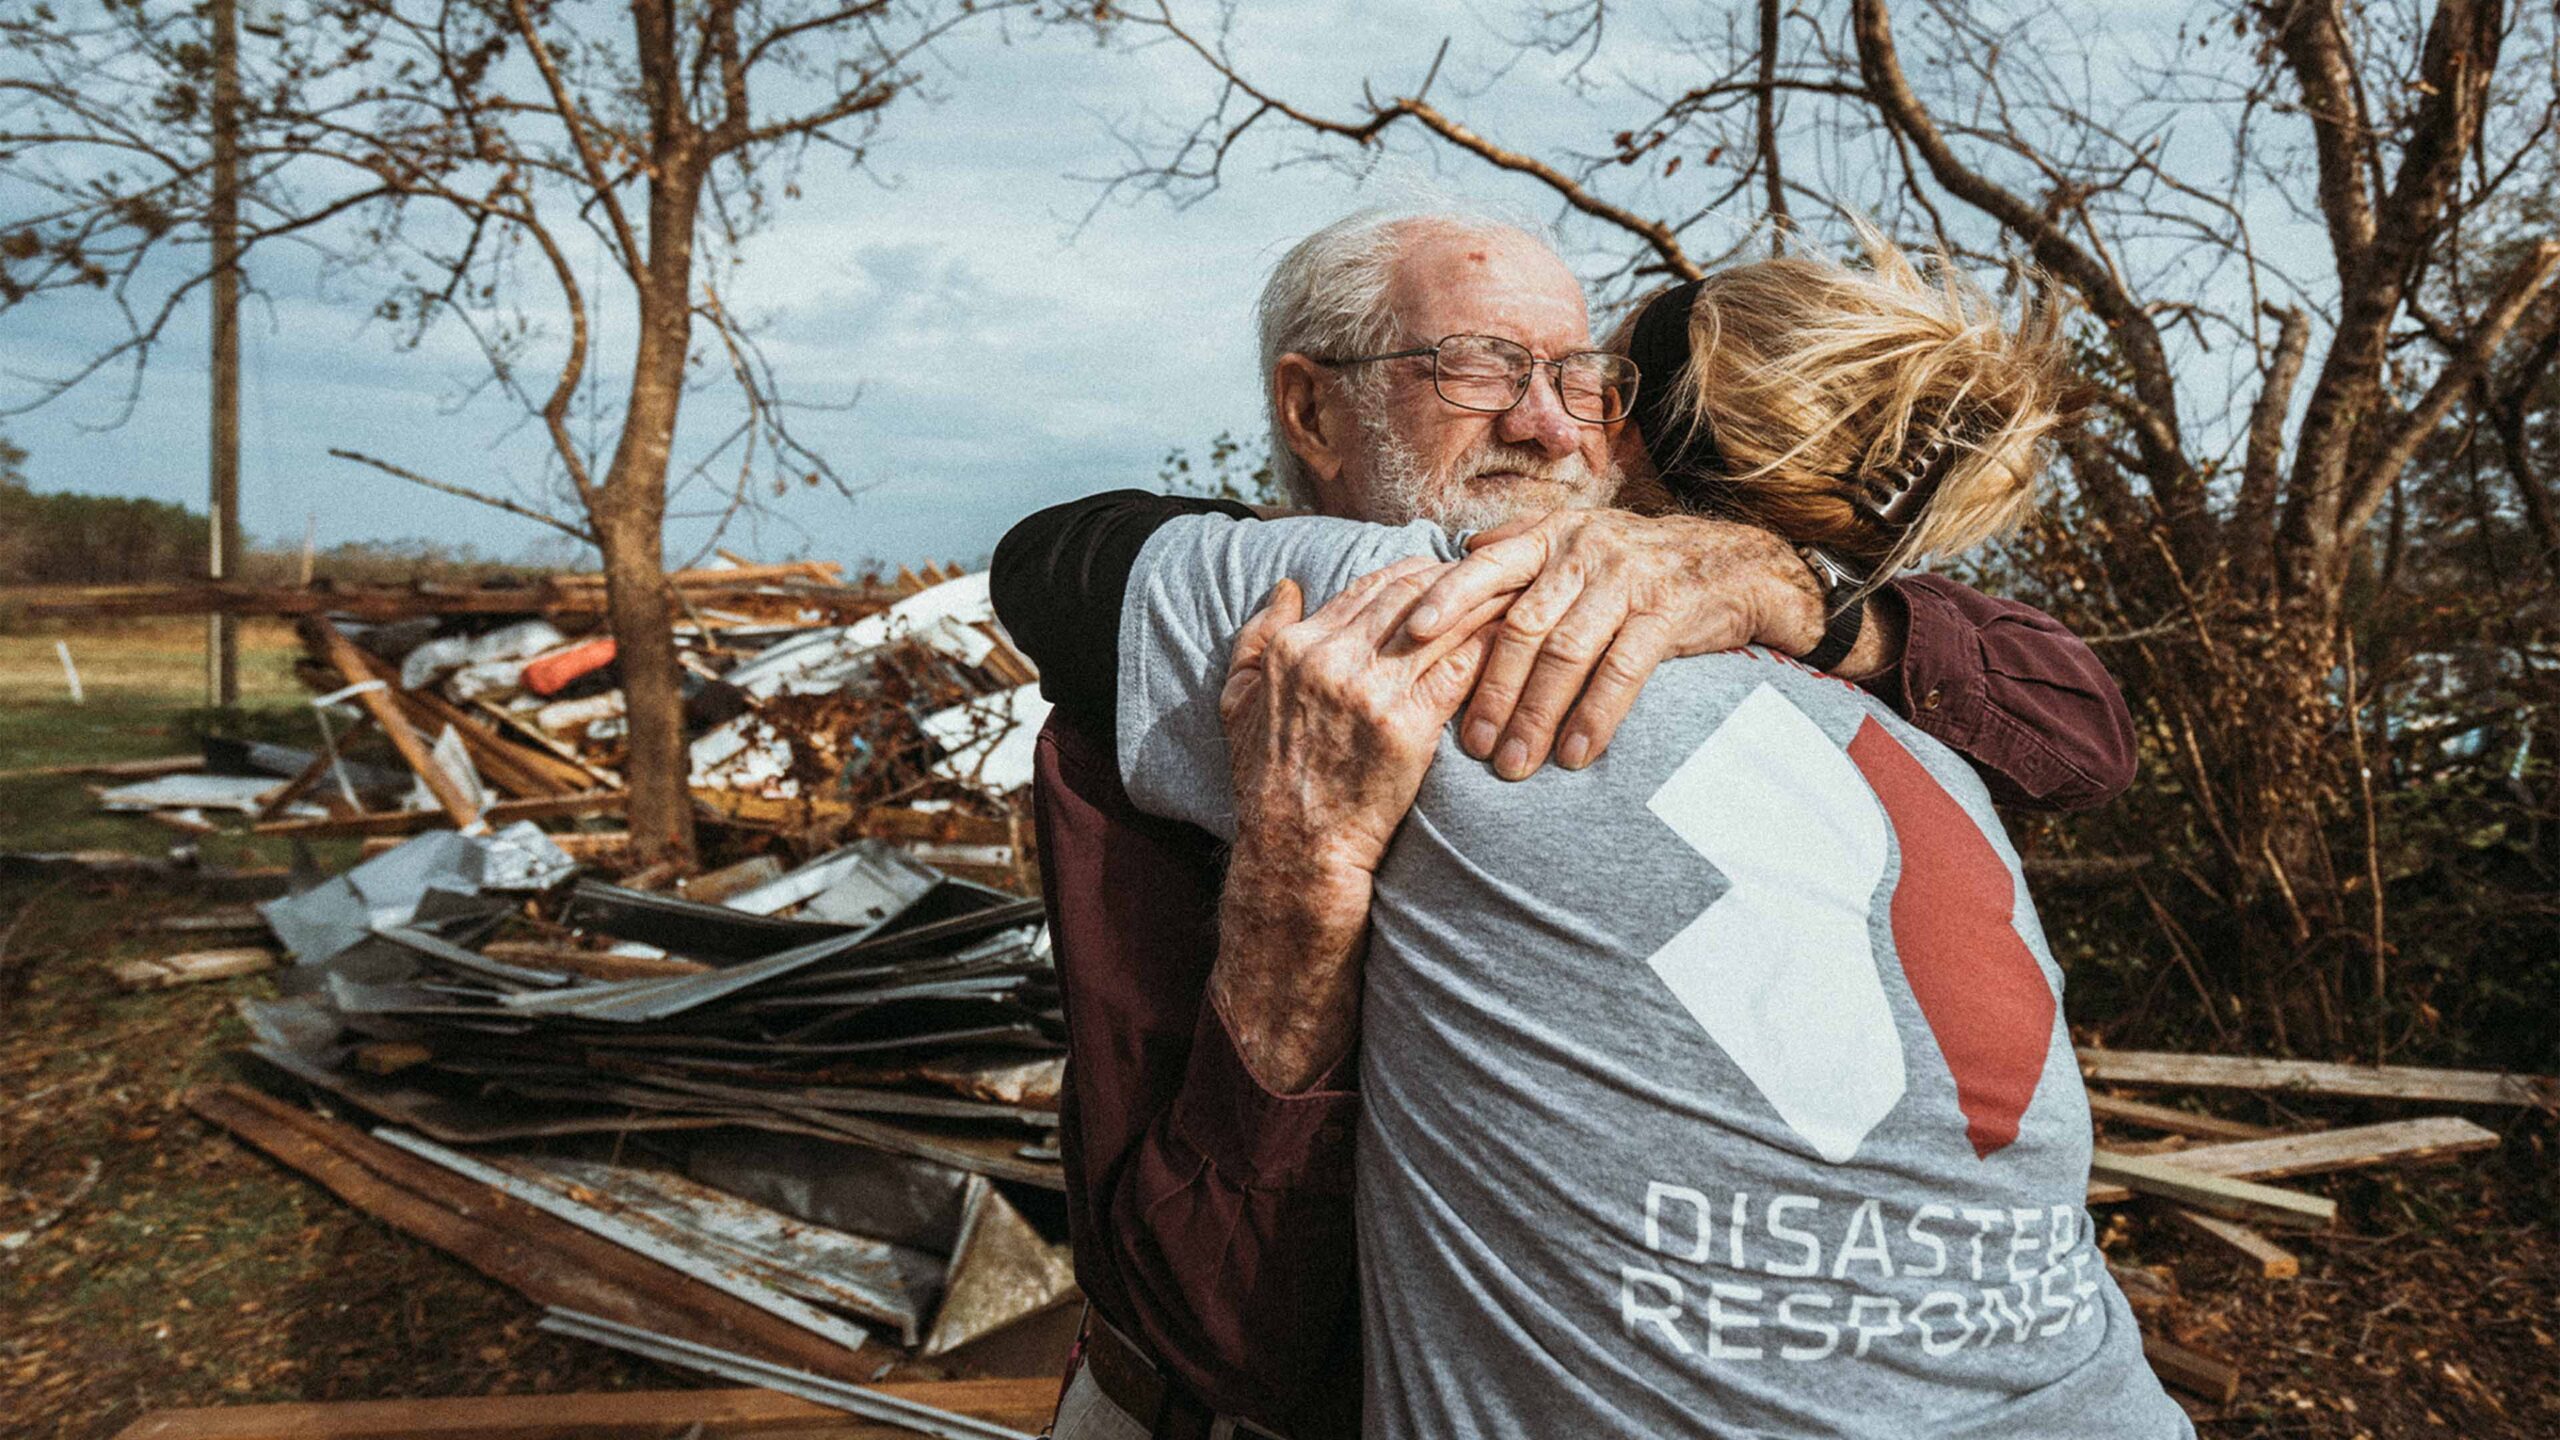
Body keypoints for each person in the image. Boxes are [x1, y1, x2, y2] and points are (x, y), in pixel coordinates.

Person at [992, 209, 2141, 1439]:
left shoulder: (1729, 628)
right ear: (1313, 411)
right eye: (1475, 366)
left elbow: (1047, 562)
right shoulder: (1297, 630)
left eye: (1585, 378)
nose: (1546, 422)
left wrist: (1803, 597)